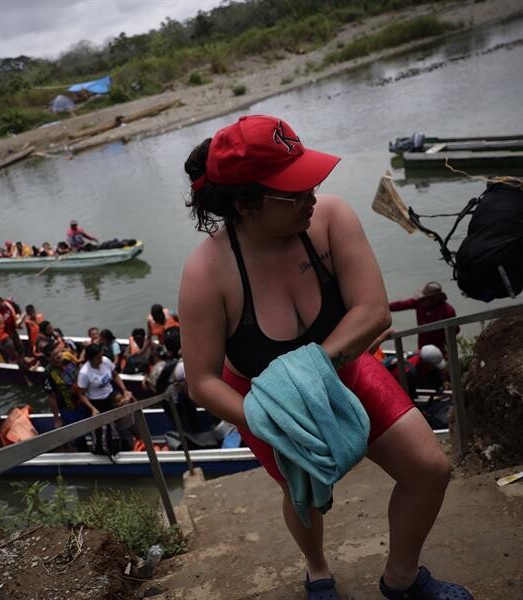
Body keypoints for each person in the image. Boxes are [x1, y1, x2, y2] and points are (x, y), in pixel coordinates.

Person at [178, 115, 468, 600]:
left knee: (429, 469)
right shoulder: (207, 274)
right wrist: (264, 414)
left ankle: (401, 578)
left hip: (347, 370)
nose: (311, 196)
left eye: (310, 181)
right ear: (245, 204)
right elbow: (202, 381)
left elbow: (372, 312)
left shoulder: (330, 220)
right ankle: (317, 568)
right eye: (294, 192)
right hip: (267, 403)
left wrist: (310, 369)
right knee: (305, 497)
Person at [77, 344, 134, 453]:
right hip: (97, 401)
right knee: (103, 428)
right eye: (98, 358)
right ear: (91, 358)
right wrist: (92, 408)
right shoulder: (85, 373)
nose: (101, 359)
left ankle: (125, 444)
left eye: (101, 356)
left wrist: (124, 390)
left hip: (111, 394)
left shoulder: (105, 361)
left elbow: (115, 375)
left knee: (122, 419)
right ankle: (103, 449)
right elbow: (82, 394)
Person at [44, 342, 98, 452]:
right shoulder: (48, 374)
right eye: (55, 355)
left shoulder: (68, 359)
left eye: (59, 352)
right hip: (68, 408)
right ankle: (84, 454)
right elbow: (52, 398)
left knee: (95, 426)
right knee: (78, 435)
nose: (59, 355)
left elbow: (80, 370)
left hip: (83, 401)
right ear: (48, 358)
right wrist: (57, 418)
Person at [388, 282, 458, 352]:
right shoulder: (419, 302)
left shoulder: (447, 310)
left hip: (441, 348)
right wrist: (384, 308)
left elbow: (455, 330)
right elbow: (401, 305)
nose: (423, 300)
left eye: (427, 298)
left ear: (436, 297)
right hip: (422, 346)